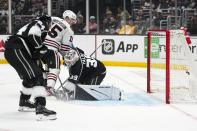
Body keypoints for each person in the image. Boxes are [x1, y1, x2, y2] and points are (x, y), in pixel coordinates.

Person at [4, 15, 56, 121]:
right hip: (17, 48)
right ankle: (41, 108)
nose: (50, 26)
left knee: (30, 77)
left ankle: (25, 102)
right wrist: (41, 47)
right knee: (37, 76)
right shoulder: (38, 23)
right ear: (46, 22)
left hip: (15, 50)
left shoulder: (32, 26)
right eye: (49, 23)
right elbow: (33, 35)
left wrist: (40, 53)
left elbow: (34, 50)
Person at [42, 10, 77, 95]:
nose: (72, 22)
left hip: (39, 46)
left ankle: (41, 86)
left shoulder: (54, 18)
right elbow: (64, 48)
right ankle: (49, 88)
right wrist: (66, 58)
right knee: (55, 68)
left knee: (45, 68)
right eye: (72, 20)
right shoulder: (69, 30)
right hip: (51, 49)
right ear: (67, 18)